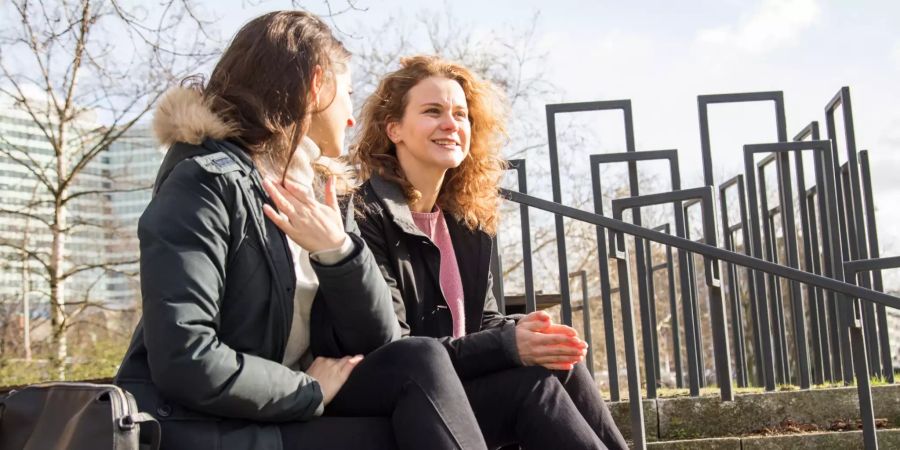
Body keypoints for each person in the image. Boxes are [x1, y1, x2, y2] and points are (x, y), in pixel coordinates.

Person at [115, 13, 488, 450]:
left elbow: (379, 343)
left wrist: (339, 253)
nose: (352, 120)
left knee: (426, 365)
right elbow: (186, 358)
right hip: (205, 427)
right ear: (316, 86)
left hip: (288, 414)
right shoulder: (204, 184)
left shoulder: (321, 195)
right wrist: (305, 390)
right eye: (347, 95)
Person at [350, 55, 629, 449]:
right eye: (433, 111)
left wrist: (526, 334)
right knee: (532, 388)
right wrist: (509, 345)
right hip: (404, 397)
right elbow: (400, 349)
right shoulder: (366, 215)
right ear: (393, 128)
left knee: (561, 360)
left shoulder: (466, 223)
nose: (451, 124)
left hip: (458, 384)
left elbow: (483, 321)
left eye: (461, 115)